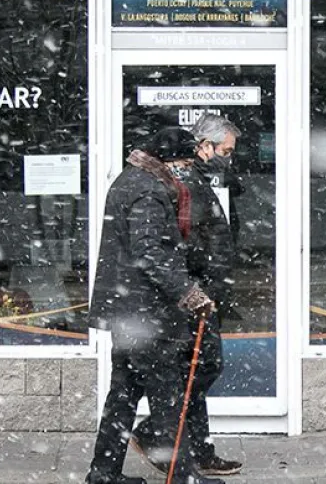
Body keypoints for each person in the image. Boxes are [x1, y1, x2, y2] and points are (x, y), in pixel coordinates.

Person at [87, 127, 224, 484]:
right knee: (168, 398)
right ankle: (182, 475)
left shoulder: (130, 180)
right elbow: (150, 252)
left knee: (123, 395)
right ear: (169, 159)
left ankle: (104, 473)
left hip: (129, 310)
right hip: (147, 313)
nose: (185, 170)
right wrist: (189, 293)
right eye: (184, 163)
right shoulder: (148, 189)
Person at [131, 114, 244, 477]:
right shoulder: (184, 179)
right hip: (194, 291)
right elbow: (190, 239)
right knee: (201, 367)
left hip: (203, 288)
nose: (228, 158)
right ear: (205, 146)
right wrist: (199, 286)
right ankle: (159, 435)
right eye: (226, 150)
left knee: (197, 369)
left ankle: (199, 449)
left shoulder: (198, 178)